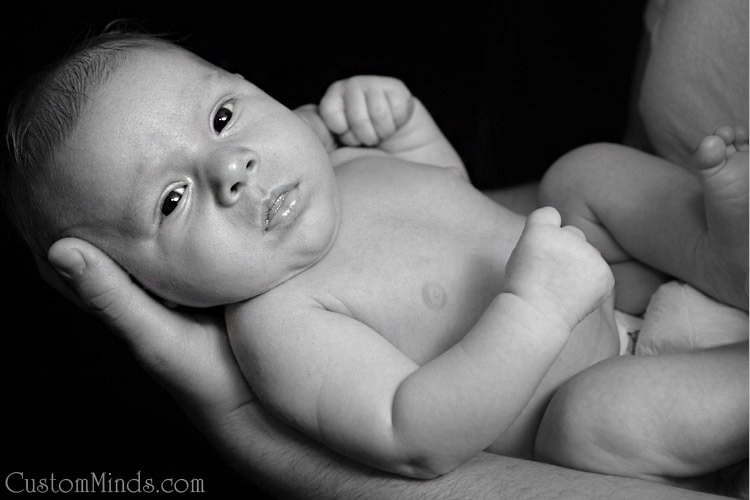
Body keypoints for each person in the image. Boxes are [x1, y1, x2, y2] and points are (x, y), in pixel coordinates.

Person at [3, 23, 746, 495]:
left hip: (634, 292)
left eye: (224, 117)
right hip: (612, 390)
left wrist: (406, 125)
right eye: (170, 200)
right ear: (145, 286)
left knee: (580, 175)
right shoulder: (280, 327)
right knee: (589, 418)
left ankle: (728, 251)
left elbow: (450, 196)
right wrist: (534, 310)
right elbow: (411, 436)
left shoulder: (346, 164)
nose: (229, 168)